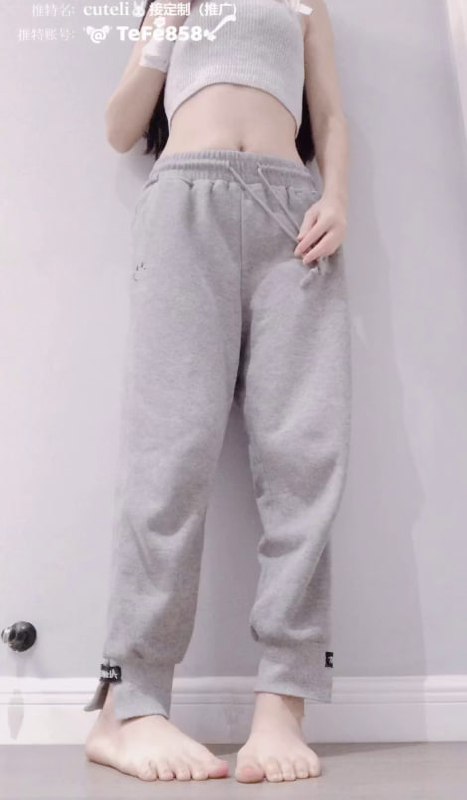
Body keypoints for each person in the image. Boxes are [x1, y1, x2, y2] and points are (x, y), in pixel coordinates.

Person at [83, 0, 351, 784]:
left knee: (305, 455)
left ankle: (283, 702)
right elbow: (119, 128)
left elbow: (329, 115)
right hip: (184, 208)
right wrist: (166, 25)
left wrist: (336, 198)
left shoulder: (304, 3)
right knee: (167, 457)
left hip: (292, 218)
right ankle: (127, 705)